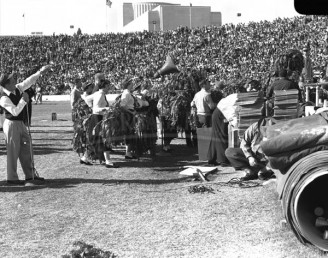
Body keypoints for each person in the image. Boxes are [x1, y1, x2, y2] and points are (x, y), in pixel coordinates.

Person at [0, 65, 52, 186]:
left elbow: (29, 81)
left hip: (20, 123)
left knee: (27, 148)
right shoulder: (3, 98)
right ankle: (12, 178)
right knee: (13, 151)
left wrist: (40, 72)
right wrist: (23, 100)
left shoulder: (17, 88)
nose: (14, 79)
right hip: (11, 124)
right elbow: (14, 112)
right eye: (12, 79)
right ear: (7, 84)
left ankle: (30, 176)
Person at [85, 72, 118, 168]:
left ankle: (84, 158)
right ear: (104, 86)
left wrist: (91, 105)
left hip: (97, 118)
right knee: (103, 139)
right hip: (97, 119)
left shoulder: (98, 93)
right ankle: (108, 161)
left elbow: (87, 98)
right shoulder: (100, 95)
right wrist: (108, 109)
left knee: (96, 139)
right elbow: (97, 109)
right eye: (108, 87)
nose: (109, 88)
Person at [120, 77, 149, 159]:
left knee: (131, 133)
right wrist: (131, 112)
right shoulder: (126, 93)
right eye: (131, 83)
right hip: (129, 114)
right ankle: (128, 153)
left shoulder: (128, 92)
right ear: (128, 84)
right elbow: (122, 106)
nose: (133, 84)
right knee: (130, 132)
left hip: (131, 113)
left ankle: (128, 153)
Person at [72, 81, 94, 165]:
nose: (92, 89)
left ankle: (86, 157)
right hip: (85, 122)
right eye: (91, 87)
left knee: (87, 140)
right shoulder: (85, 98)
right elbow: (87, 111)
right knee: (89, 139)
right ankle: (85, 157)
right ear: (87, 88)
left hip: (84, 121)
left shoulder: (85, 97)